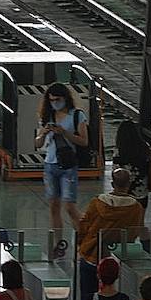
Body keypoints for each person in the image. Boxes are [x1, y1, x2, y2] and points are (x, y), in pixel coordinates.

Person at [77, 167, 145, 300]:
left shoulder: (97, 203)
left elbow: (84, 225)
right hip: (117, 259)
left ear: (112, 184)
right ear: (129, 185)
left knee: (87, 298)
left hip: (91, 256)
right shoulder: (136, 208)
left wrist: (81, 246)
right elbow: (134, 233)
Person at [36, 82, 89, 243]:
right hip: (50, 165)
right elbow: (38, 143)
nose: (55, 103)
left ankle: (84, 238)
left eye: (57, 99)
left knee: (70, 206)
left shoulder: (77, 115)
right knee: (53, 206)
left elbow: (83, 141)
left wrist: (65, 133)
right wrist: (44, 134)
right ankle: (58, 242)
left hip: (68, 166)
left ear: (65, 98)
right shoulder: (48, 117)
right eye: (51, 100)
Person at [112, 120, 151, 211]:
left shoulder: (119, 150)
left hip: (124, 191)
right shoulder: (145, 147)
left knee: (126, 219)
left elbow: (115, 170)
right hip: (141, 190)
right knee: (140, 218)